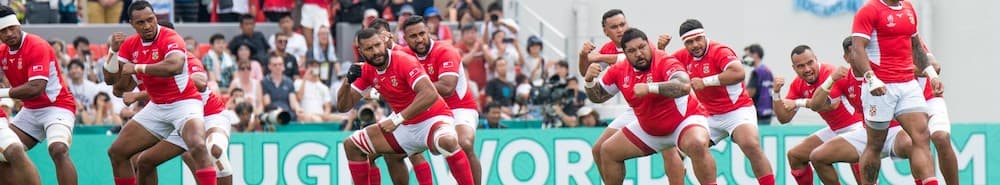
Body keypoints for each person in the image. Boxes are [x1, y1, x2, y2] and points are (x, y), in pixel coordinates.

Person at [337, 28, 475, 185]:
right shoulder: (366, 70)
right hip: (405, 126)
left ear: (384, 43)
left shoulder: (403, 60)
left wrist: (397, 119)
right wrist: (347, 82)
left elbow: (430, 93)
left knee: (448, 142)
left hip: (432, 119)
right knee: (352, 145)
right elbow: (343, 106)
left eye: (377, 45)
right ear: (361, 51)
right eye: (369, 48)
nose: (376, 52)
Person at [102, 1, 217, 184]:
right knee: (117, 152)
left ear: (156, 17)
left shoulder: (170, 37)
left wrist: (137, 68)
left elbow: (174, 66)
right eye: (141, 23)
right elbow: (112, 82)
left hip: (184, 102)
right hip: (157, 106)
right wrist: (112, 52)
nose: (147, 26)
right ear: (131, 24)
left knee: (197, 146)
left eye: (151, 19)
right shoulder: (130, 44)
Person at [583, 28, 716, 185]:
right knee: (607, 151)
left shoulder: (663, 60)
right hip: (650, 129)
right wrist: (589, 81)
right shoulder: (619, 70)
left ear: (649, 45)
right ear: (624, 54)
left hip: (683, 121)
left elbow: (684, 86)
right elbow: (599, 96)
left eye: (642, 47)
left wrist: (650, 87)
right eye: (632, 51)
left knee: (697, 144)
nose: (639, 53)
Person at [581, 9, 686, 185]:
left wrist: (599, 57)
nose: (620, 30)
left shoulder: (637, 42)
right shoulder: (609, 50)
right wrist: (583, 58)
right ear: (605, 31)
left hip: (661, 104)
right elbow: (587, 73)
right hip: (636, 108)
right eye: (614, 27)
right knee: (599, 149)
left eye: (622, 24)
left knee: (668, 149)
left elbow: (628, 58)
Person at [670, 19, 775, 184]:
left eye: (698, 39)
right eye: (689, 42)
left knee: (750, 143)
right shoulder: (681, 56)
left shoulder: (720, 50)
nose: (695, 44)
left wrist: (704, 82)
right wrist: (661, 49)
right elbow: (661, 67)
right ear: (684, 44)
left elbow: (738, 73)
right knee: (683, 150)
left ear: (704, 36)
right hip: (708, 115)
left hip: (737, 110)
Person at [849, 0, 938, 184]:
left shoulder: (908, 8)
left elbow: (915, 45)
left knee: (921, 136)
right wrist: (871, 78)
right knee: (875, 144)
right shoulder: (869, 10)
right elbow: (858, 48)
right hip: (880, 87)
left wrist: (930, 74)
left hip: (907, 84)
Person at [809, 37, 917, 185]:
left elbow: (914, 71)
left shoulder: (883, 71)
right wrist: (831, 79)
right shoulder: (844, 78)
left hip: (893, 130)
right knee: (817, 156)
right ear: (846, 57)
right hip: (868, 133)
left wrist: (929, 71)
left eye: (864, 53)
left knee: (915, 144)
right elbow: (815, 105)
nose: (860, 57)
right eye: (854, 53)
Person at [124, 50, 235, 185]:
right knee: (145, 162)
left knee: (215, 149)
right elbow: (119, 88)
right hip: (183, 121)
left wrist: (138, 95)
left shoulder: (185, 58)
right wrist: (114, 55)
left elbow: (200, 83)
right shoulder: (148, 63)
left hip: (211, 116)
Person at [401, 16, 484, 185]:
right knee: (396, 150)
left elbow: (447, 88)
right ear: (405, 39)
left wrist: (414, 87)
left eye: (422, 33)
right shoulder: (403, 55)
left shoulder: (446, 50)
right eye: (413, 36)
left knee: (464, 143)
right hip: (428, 109)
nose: (420, 39)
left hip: (459, 107)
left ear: (429, 32)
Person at [771, 45, 864, 185]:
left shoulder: (830, 73)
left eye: (810, 63)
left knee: (851, 165)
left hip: (856, 128)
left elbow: (829, 105)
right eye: (801, 66)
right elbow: (784, 118)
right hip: (835, 130)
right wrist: (776, 94)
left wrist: (797, 102)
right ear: (794, 68)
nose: (807, 69)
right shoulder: (798, 84)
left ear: (816, 59)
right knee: (795, 155)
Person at [0, 6, 55, 185]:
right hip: (29, 109)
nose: (8, 34)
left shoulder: (36, 45)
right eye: (3, 30)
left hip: (53, 106)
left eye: (11, 28)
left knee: (14, 150)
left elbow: (36, 87)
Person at [913, 40, 959, 185]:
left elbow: (934, 66)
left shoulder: (906, 33)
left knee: (941, 137)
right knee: (913, 146)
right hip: (902, 104)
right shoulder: (873, 44)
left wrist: (900, 69)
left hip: (929, 98)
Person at [260, 55, 301, 121]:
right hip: (272, 113)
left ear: (283, 66)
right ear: (269, 67)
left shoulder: (289, 82)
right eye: (275, 65)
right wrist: (278, 110)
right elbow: (267, 103)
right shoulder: (265, 82)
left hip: (288, 113)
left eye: (280, 64)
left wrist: (298, 108)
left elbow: (293, 102)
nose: (278, 67)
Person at [743, 44, 775, 125]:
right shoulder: (768, 71)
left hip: (758, 113)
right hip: (768, 111)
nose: (745, 59)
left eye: (747, 56)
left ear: (755, 55)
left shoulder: (756, 72)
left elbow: (750, 93)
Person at [455, 25, 488, 91]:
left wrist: (483, 49)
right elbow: (464, 62)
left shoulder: (481, 46)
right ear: (462, 36)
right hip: (465, 87)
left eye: (472, 33)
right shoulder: (457, 48)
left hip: (483, 87)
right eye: (467, 33)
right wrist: (475, 49)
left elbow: (493, 62)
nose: (470, 35)